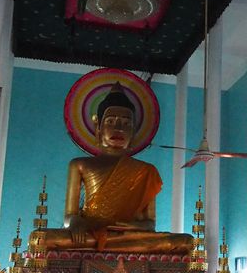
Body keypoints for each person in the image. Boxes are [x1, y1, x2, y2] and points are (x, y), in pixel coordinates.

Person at [30, 83, 193, 254]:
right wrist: (77, 223)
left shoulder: (146, 171)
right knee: (40, 238)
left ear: (134, 132)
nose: (118, 128)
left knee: (186, 241)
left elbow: (150, 223)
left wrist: (131, 227)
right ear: (98, 128)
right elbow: (69, 216)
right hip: (91, 235)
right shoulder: (80, 164)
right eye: (111, 121)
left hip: (129, 237)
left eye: (126, 123)